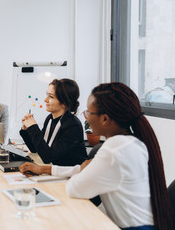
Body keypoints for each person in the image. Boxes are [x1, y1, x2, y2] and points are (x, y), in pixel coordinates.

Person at [66, 82, 173, 229]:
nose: (86, 117)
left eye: (89, 113)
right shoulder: (133, 142)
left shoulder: (114, 147)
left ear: (105, 119)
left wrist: (84, 169)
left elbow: (74, 188)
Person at [19, 78, 87, 166]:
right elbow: (36, 149)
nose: (45, 100)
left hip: (70, 174)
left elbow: (48, 157)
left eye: (51, 96)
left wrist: (33, 127)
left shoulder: (73, 125)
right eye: (47, 95)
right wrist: (26, 130)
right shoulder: (50, 118)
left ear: (64, 102)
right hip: (55, 170)